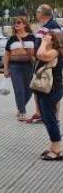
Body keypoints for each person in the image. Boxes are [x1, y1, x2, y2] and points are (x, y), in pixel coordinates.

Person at [26, 5, 62, 124]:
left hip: (46, 62)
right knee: (50, 87)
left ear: (41, 14)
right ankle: (50, 116)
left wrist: (38, 54)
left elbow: (40, 48)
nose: (36, 14)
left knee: (41, 87)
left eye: (37, 12)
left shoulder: (47, 28)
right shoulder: (56, 27)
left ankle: (46, 115)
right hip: (52, 61)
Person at [35, 31, 63, 161]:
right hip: (44, 90)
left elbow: (40, 54)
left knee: (50, 119)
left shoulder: (55, 52)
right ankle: (54, 145)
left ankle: (57, 149)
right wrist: (45, 42)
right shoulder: (50, 50)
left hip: (51, 90)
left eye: (47, 36)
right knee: (46, 118)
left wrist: (44, 42)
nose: (44, 38)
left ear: (53, 40)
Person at [3, 17, 36, 121]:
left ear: (25, 24)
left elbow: (37, 53)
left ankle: (20, 106)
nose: (16, 24)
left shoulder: (32, 37)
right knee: (19, 90)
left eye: (18, 22)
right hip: (15, 67)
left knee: (30, 90)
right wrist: (5, 68)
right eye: (14, 23)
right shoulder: (12, 39)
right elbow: (7, 55)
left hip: (29, 66)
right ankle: (22, 111)